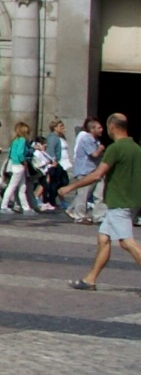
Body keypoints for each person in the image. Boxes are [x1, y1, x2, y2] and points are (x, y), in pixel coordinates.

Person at [61, 113, 141, 288]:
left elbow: (97, 174)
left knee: (127, 242)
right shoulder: (136, 148)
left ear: (112, 126)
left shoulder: (115, 148)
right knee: (103, 239)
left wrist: (70, 187)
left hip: (118, 202)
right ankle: (90, 280)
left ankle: (90, 280)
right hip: (129, 201)